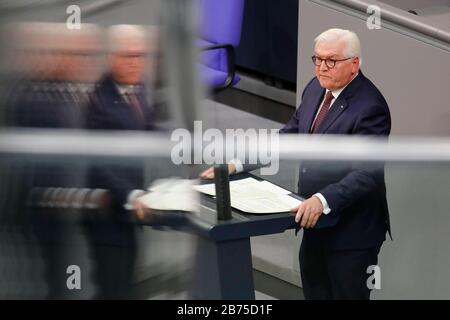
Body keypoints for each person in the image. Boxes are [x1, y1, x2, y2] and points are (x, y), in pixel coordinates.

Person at [201, 28, 391, 300]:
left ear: (354, 64)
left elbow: (366, 174)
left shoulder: (370, 107)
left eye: (331, 61)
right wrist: (238, 163)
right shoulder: (316, 88)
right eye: (317, 59)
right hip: (313, 220)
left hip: (351, 234)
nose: (322, 67)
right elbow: (289, 136)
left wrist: (322, 200)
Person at [84, 24, 158, 299]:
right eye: (128, 56)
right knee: (113, 288)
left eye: (140, 56)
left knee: (126, 284)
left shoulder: (136, 87)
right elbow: (96, 163)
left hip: (129, 213)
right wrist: (131, 194)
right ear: (111, 58)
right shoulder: (96, 101)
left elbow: (147, 129)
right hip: (107, 215)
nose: (135, 63)